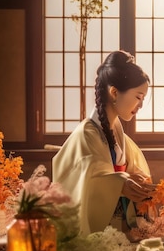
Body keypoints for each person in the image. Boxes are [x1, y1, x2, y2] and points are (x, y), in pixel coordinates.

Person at [53, 50, 156, 235]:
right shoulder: (86, 134)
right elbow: (86, 182)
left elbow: (129, 169)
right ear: (114, 92)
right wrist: (121, 183)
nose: (140, 105)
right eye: (138, 97)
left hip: (120, 229)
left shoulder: (119, 134)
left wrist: (137, 180)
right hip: (97, 235)